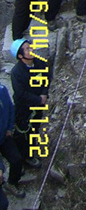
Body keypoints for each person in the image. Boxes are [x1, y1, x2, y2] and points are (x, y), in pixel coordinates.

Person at [10, 40, 48, 174]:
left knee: (34, 129)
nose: (31, 50)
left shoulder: (39, 63)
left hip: (38, 105)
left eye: (30, 47)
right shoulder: (16, 72)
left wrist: (44, 94)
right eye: (27, 49)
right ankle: (24, 156)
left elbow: (47, 77)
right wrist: (39, 99)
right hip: (24, 108)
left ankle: (30, 153)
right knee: (22, 133)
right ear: (20, 56)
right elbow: (20, 93)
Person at [0, 78, 25, 199]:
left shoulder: (2, 90)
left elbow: (10, 108)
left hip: (4, 136)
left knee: (17, 159)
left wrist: (9, 128)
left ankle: (12, 182)